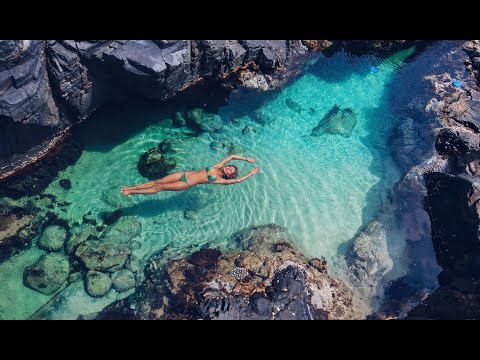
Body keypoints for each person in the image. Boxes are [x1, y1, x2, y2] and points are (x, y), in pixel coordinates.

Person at [120, 154, 260, 196]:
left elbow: (237, 181)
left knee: (159, 188)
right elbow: (232, 156)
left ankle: (132, 192)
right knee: (158, 181)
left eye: (230, 171)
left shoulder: (219, 180)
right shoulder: (218, 166)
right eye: (229, 168)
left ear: (229, 175)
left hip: (185, 183)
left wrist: (250, 173)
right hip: (183, 174)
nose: (228, 169)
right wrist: (246, 159)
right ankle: (131, 187)